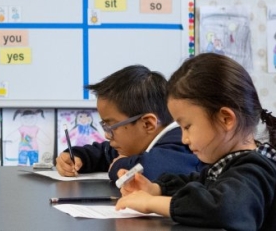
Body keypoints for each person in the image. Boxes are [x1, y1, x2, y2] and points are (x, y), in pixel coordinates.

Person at [117, 54, 276, 230]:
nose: (184, 139)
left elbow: (223, 210)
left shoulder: (254, 170)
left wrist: (152, 202)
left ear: (226, 119)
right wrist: (155, 188)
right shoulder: (229, 165)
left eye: (187, 126)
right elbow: (199, 182)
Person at [56, 65, 202, 182]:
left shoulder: (180, 142)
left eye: (111, 126)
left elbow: (155, 171)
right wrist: (78, 156)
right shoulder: (141, 143)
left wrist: (118, 166)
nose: (107, 135)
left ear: (148, 124)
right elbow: (107, 152)